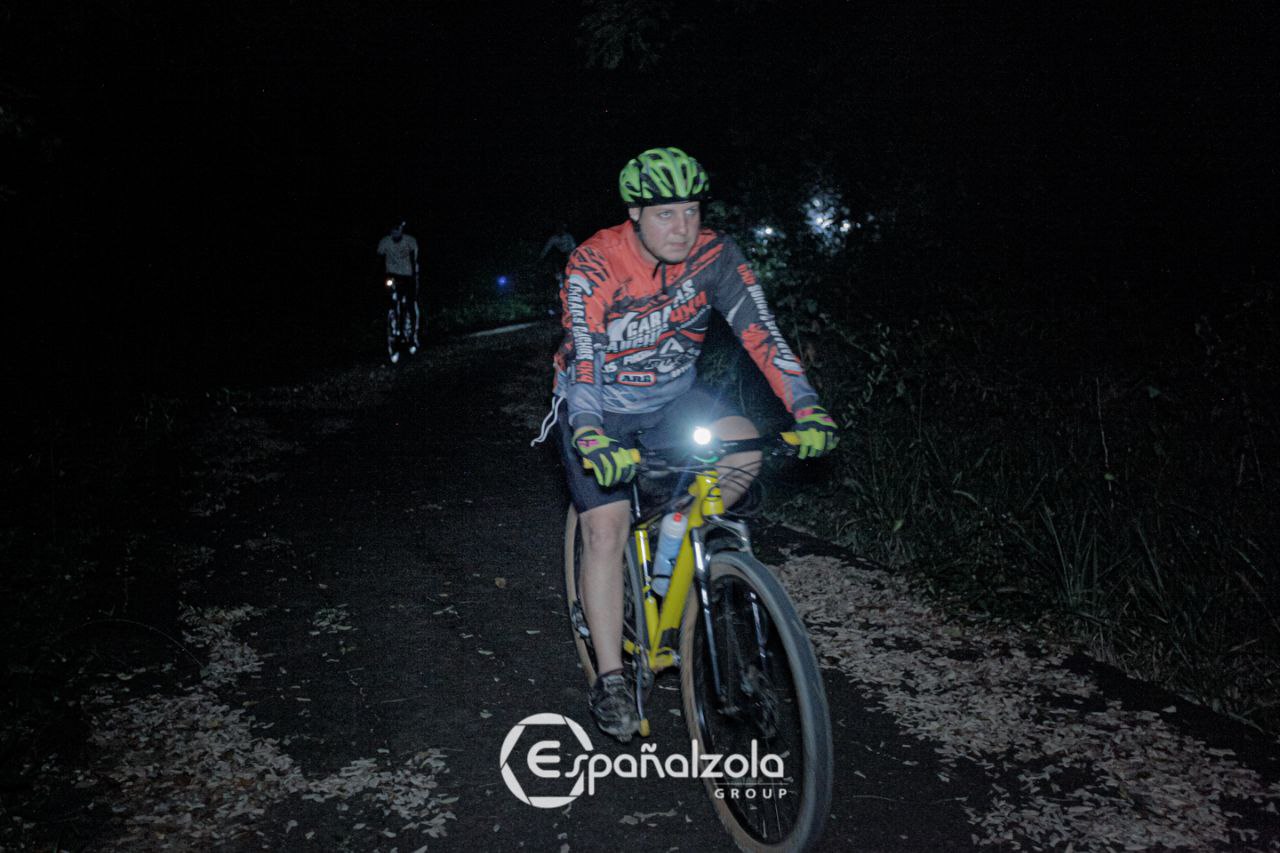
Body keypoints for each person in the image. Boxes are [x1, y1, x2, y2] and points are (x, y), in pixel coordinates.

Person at [545, 146, 839, 740]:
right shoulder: (595, 262)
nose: (682, 228)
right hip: (598, 408)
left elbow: (763, 336)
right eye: (665, 214)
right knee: (605, 529)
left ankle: (678, 538)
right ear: (634, 213)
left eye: (691, 211)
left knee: (744, 447)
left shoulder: (716, 256)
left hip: (673, 400)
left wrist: (806, 406)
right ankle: (611, 678)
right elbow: (585, 359)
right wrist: (590, 433)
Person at [377, 221, 421, 355]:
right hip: (392, 275)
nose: (395, 232)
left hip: (407, 276)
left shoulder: (410, 241)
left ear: (401, 229)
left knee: (410, 303)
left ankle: (412, 336)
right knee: (391, 299)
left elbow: (415, 259)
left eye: (397, 229)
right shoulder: (384, 242)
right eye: (392, 229)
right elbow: (379, 259)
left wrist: (414, 277)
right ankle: (392, 326)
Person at [538, 222, 577, 288]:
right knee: (555, 258)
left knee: (571, 264)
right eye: (558, 229)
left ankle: (571, 279)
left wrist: (571, 255)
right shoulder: (554, 238)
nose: (560, 230)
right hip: (561, 254)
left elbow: (574, 246)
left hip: (570, 253)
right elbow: (547, 247)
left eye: (561, 229)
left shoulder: (568, 236)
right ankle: (559, 279)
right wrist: (541, 257)